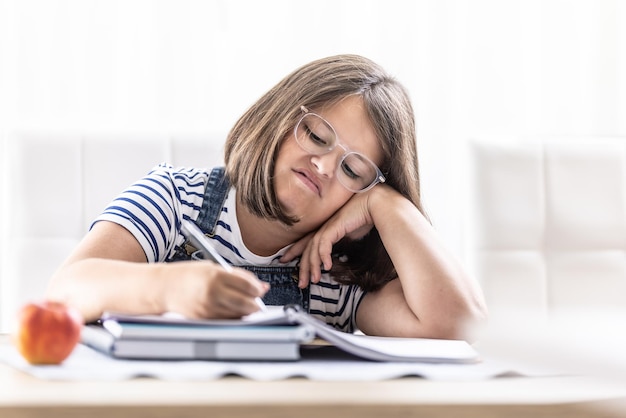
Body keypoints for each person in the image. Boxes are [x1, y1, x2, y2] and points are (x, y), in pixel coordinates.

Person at [46, 54, 487, 339]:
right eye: (316, 135)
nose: (324, 166)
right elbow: (66, 289)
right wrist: (170, 286)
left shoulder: (334, 276)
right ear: (279, 117)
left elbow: (459, 326)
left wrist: (388, 204)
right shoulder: (175, 199)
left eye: (353, 170)